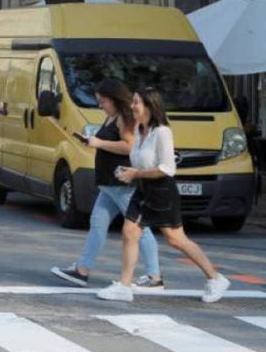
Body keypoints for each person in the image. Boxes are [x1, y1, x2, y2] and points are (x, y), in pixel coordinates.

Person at [97, 87, 230, 303]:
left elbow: (168, 168)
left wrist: (136, 173)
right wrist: (128, 172)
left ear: (149, 106)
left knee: (176, 239)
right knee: (130, 232)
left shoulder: (162, 132)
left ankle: (215, 278)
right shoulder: (139, 129)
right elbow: (139, 159)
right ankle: (123, 285)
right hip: (143, 189)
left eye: (136, 102)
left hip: (162, 191)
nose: (132, 106)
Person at [51, 79, 162, 289]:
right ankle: (82, 270)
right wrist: (91, 140)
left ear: (114, 99)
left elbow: (129, 146)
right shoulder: (111, 118)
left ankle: (154, 276)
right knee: (97, 224)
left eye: (102, 101)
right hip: (109, 185)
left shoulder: (125, 119)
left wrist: (98, 142)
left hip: (121, 183)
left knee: (139, 227)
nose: (100, 105)